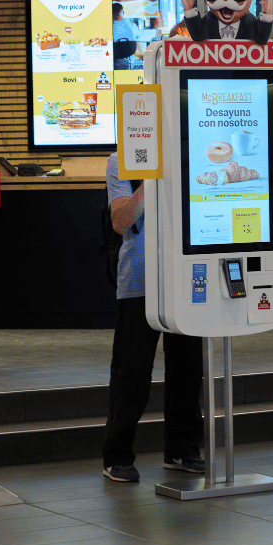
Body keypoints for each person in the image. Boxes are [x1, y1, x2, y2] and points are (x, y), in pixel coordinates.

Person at [102, 154, 206, 482]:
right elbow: (120, 221)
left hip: (186, 280)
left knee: (187, 370)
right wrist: (154, 177)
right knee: (131, 371)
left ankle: (182, 450)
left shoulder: (195, 153)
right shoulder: (121, 160)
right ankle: (116, 456)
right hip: (139, 283)